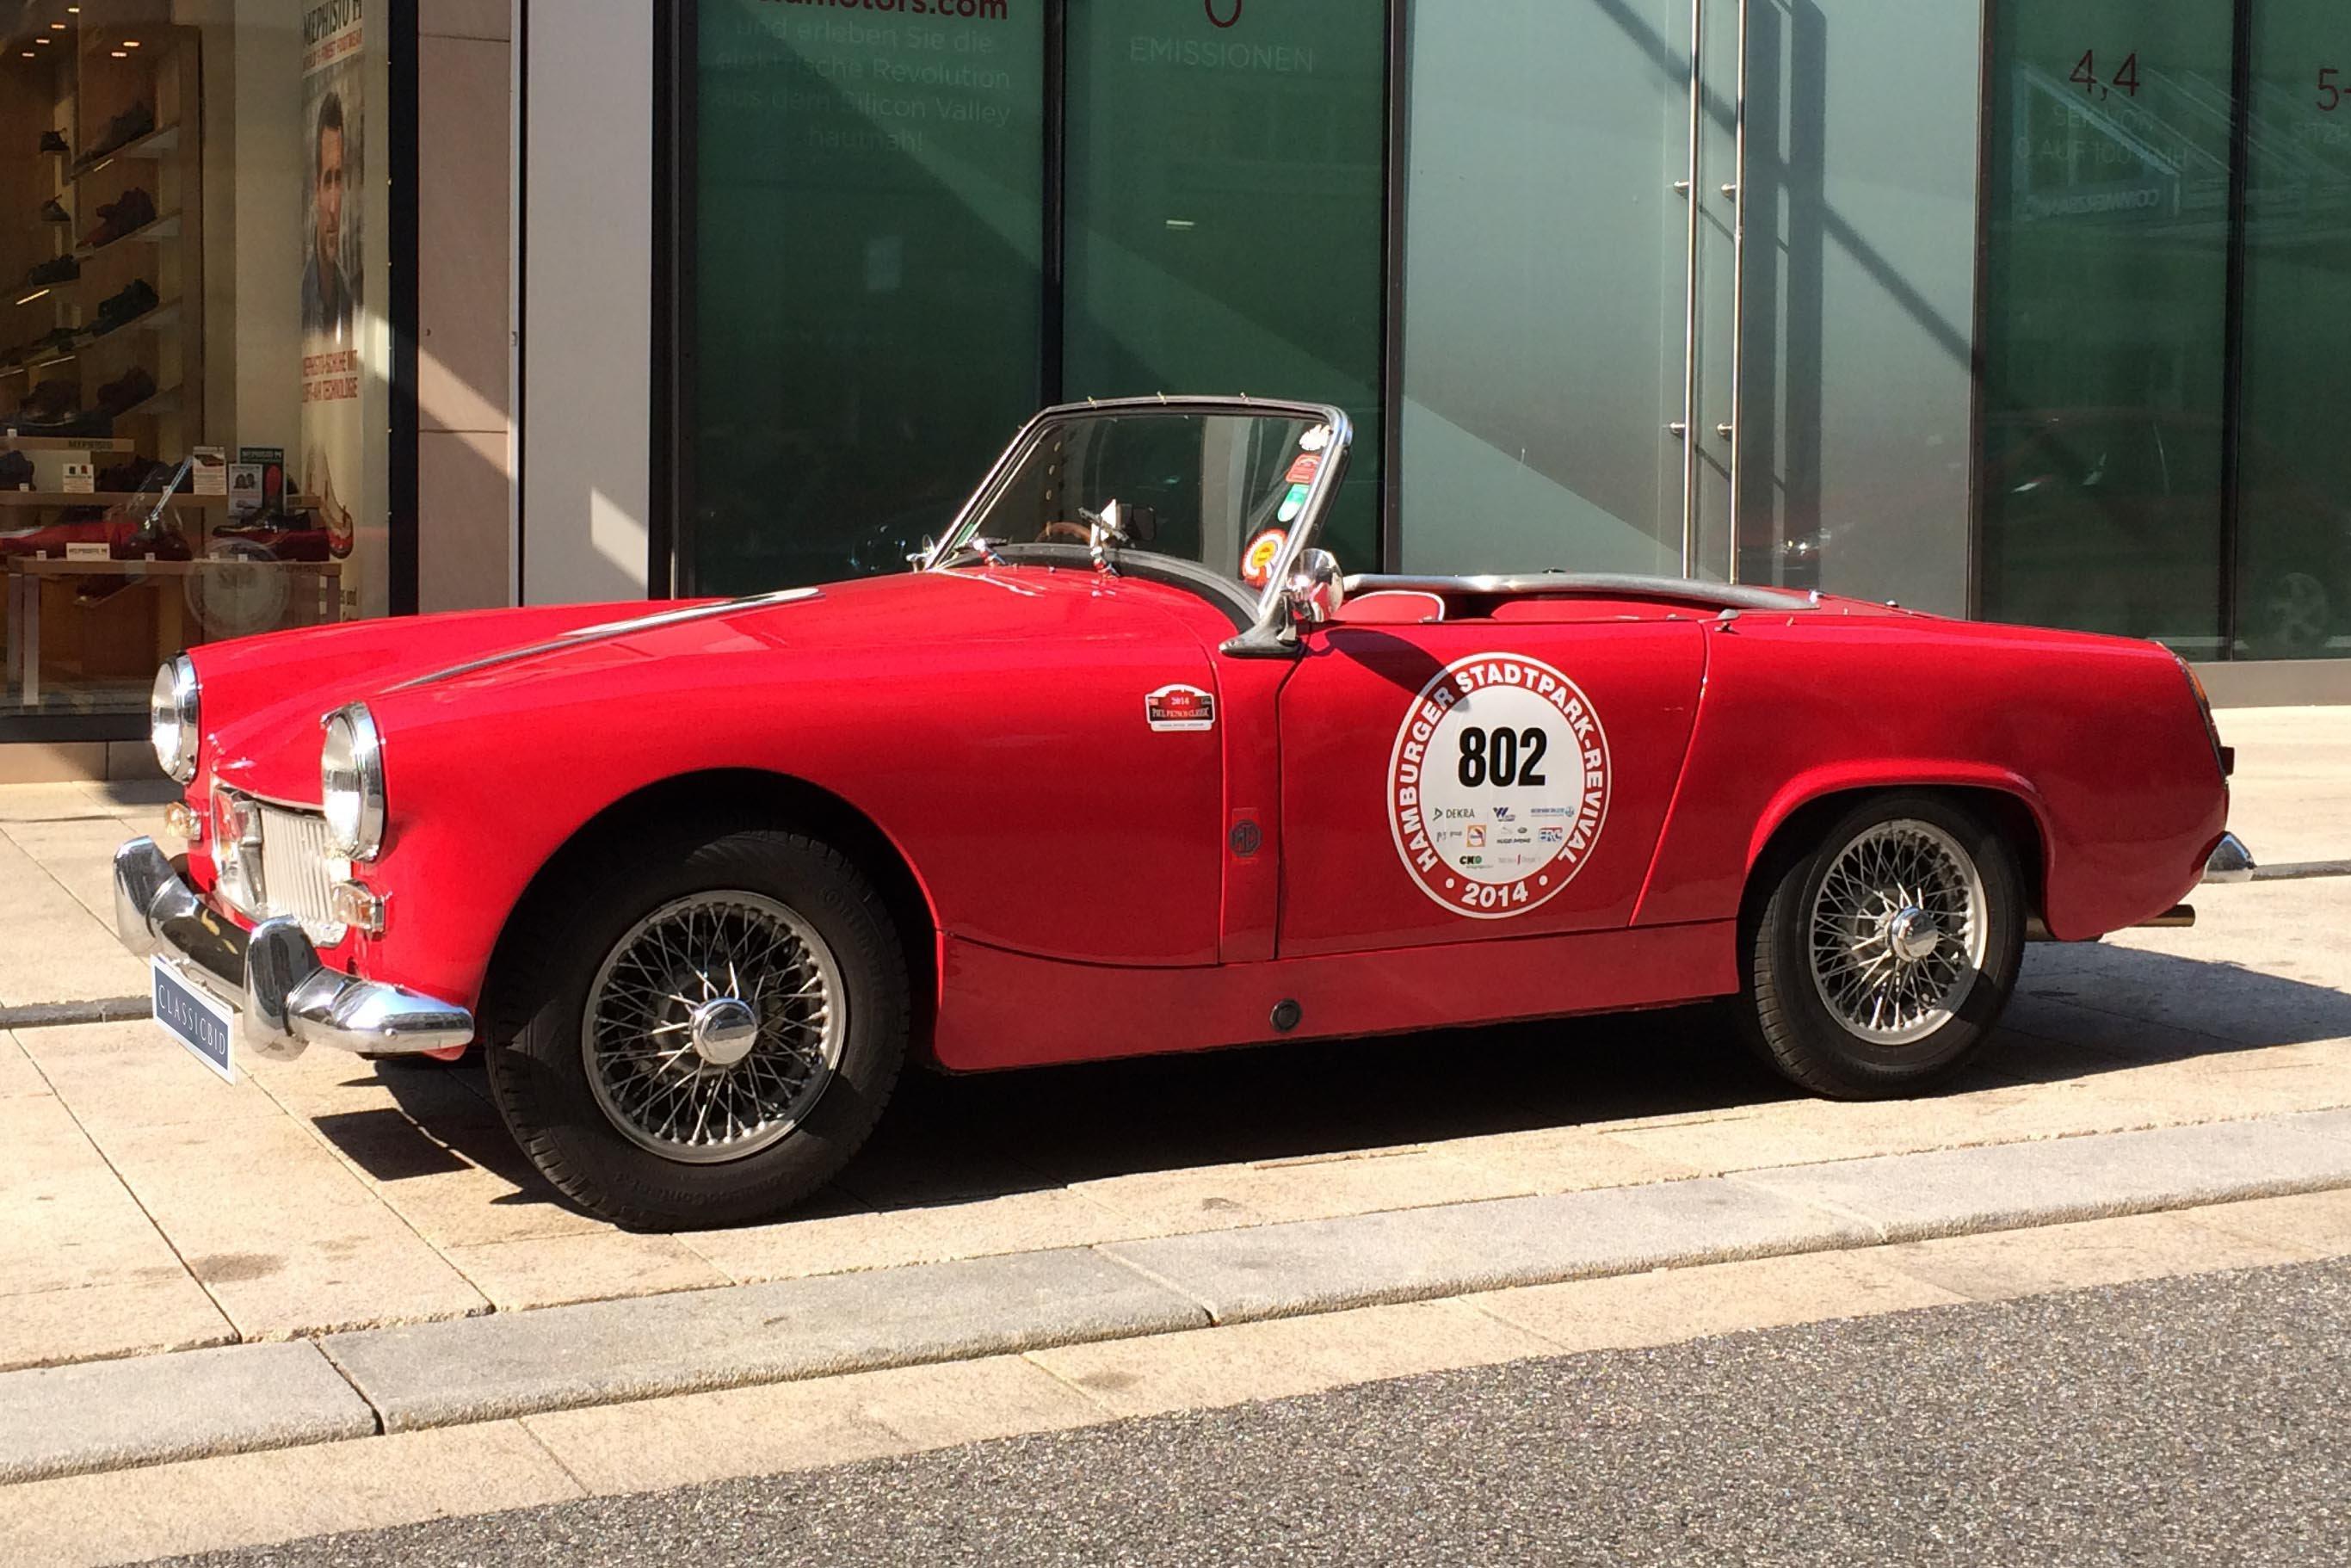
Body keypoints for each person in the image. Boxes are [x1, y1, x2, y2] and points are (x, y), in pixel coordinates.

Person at [299, 93, 354, 341]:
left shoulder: (347, 293)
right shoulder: (301, 296)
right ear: (316, 190)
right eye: (328, 180)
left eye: (339, 179)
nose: (333, 206)